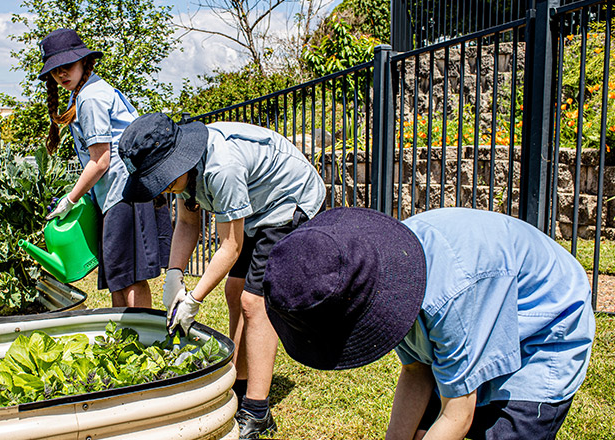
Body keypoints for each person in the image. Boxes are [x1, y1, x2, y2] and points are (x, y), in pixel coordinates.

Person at [262, 207, 595, 440]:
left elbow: (457, 415)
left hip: (542, 327)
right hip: (472, 304)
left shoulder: (448, 296)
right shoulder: (379, 279)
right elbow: (416, 370)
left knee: (503, 431)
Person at [118, 112, 326, 439]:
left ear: (177, 161)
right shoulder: (187, 170)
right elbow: (188, 224)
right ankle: (239, 386)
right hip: (254, 207)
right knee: (234, 292)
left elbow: (230, 245)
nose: (164, 187)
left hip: (286, 200)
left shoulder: (220, 168)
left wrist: (195, 300)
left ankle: (257, 414)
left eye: (163, 178)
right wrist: (174, 276)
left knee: (254, 302)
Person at [39, 29, 170, 308]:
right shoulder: (87, 92)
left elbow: (100, 161)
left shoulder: (91, 97)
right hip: (119, 192)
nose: (62, 75)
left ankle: (141, 344)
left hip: (125, 192)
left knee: (129, 277)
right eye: (56, 71)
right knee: (117, 274)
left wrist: (70, 199)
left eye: (68, 67)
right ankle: (125, 339)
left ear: (85, 63)